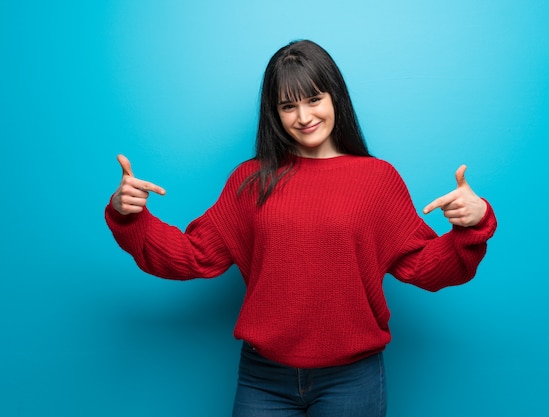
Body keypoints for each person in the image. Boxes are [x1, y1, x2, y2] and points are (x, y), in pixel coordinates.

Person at [105, 39, 497, 417]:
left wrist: (473, 224)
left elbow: (426, 267)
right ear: (274, 113)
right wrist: (130, 216)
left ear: (335, 98)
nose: (304, 117)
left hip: (352, 378)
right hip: (263, 378)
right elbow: (194, 256)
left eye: (314, 99)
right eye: (288, 106)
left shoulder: (377, 180)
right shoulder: (251, 180)